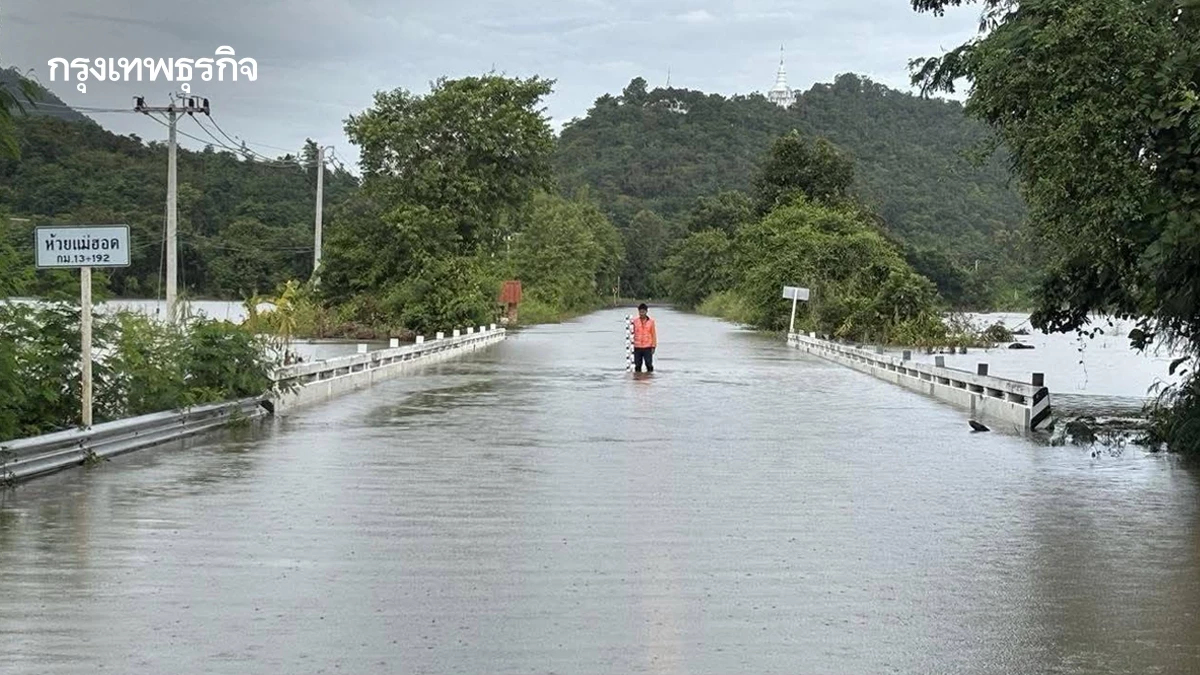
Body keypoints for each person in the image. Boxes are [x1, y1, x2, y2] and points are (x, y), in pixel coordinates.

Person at [631, 303, 657, 373]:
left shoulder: (651, 322)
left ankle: (650, 378)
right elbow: (631, 333)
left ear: (646, 311)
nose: (641, 313)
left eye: (643, 312)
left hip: (647, 347)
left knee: (649, 364)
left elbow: (653, 334)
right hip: (637, 347)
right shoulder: (634, 321)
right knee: (637, 365)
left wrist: (653, 346)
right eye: (640, 312)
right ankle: (637, 380)